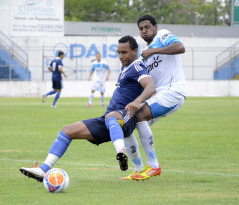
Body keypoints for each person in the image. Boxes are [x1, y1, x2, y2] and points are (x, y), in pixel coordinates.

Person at [20, 36, 156, 182]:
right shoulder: (126, 67)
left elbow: (151, 87)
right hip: (109, 120)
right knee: (67, 130)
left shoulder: (136, 67)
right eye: (118, 52)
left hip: (125, 116)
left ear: (135, 51)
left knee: (111, 117)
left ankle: (120, 153)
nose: (121, 56)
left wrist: (137, 101)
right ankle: (43, 170)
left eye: (125, 52)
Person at [121, 15, 187, 181]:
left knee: (140, 115)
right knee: (126, 122)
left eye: (147, 27)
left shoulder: (162, 36)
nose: (144, 31)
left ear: (155, 27)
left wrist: (153, 50)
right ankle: (140, 169)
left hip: (173, 91)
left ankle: (154, 166)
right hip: (159, 95)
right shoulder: (144, 53)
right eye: (141, 29)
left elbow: (180, 47)